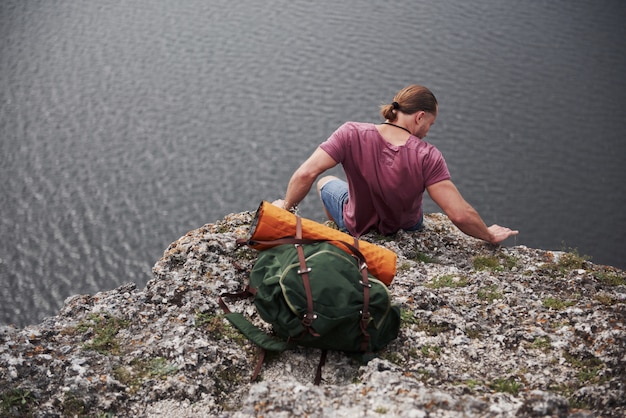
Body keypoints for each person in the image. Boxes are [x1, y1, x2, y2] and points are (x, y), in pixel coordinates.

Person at [272, 84, 518, 245]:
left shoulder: (351, 133)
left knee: (326, 182)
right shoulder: (427, 155)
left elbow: (307, 173)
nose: (427, 132)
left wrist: (286, 206)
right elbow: (458, 213)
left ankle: (344, 231)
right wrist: (488, 235)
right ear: (420, 116)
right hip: (407, 226)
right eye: (430, 124)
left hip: (358, 223)